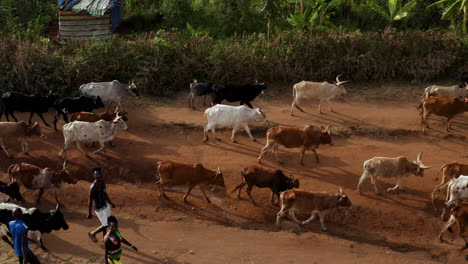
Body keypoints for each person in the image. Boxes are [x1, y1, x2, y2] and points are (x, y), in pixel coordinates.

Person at [87, 167, 115, 243]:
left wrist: (110, 203)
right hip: (99, 208)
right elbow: (90, 200)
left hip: (105, 206)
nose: (98, 175)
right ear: (94, 175)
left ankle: (105, 238)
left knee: (106, 223)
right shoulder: (93, 187)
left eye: (99, 174)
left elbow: (104, 194)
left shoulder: (102, 182)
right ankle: (92, 233)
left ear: (101, 174)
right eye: (96, 174)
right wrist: (89, 213)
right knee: (106, 224)